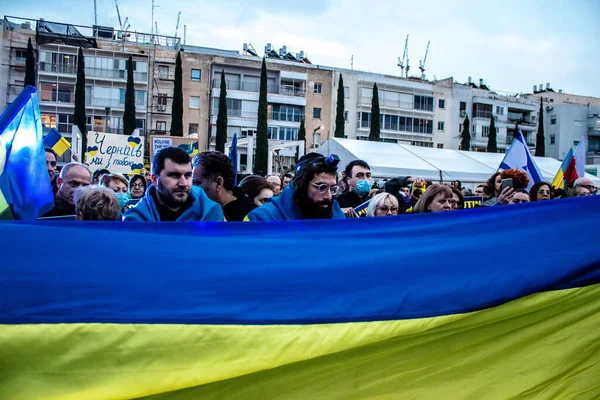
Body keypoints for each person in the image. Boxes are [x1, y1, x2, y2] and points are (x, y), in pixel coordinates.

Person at [124, 147, 223, 222]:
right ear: (154, 179)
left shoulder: (212, 212)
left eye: (188, 175)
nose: (183, 183)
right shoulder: (135, 220)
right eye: (174, 175)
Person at [245, 153, 346, 221]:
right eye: (321, 187)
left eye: (333, 189)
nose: (328, 196)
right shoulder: (262, 218)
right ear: (301, 185)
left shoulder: (336, 213)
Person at [192, 151, 255, 221]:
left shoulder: (250, 218)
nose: (191, 187)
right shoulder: (195, 209)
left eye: (196, 182)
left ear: (218, 183)